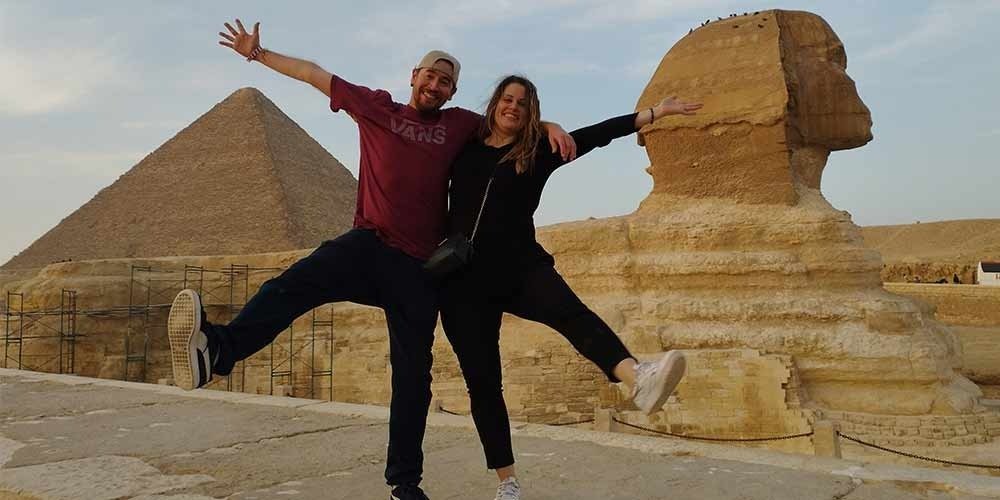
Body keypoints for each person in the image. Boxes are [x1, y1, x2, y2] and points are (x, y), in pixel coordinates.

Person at [166, 20, 576, 500]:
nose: (435, 84)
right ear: (413, 75)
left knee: (412, 380)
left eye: (446, 80)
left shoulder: (460, 124)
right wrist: (259, 55)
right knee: (291, 285)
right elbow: (313, 73)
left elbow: (510, 122)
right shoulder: (376, 107)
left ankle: (404, 485)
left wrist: (549, 124)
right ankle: (219, 351)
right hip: (370, 245)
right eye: (430, 74)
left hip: (421, 269)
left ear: (453, 91)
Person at [439, 75, 702, 500]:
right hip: (462, 282)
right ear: (494, 104)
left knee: (571, 315)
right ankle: (507, 483)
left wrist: (653, 114)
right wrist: (548, 123)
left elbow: (597, 135)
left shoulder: (537, 153)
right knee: (484, 384)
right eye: (507, 99)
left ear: (531, 112)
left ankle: (638, 377)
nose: (513, 107)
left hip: (520, 267)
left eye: (523, 104)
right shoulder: (464, 144)